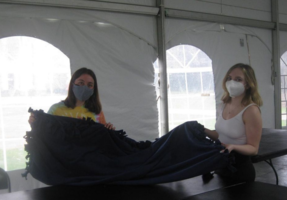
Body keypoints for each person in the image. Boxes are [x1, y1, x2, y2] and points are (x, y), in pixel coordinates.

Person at [204, 63, 263, 182]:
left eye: (238, 79)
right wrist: (203, 130)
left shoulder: (251, 110)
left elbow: (253, 148)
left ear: (248, 84)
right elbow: (220, 135)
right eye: (229, 78)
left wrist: (233, 147)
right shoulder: (223, 105)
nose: (232, 82)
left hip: (240, 170)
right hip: (221, 166)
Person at [28, 67, 115, 130]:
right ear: (72, 84)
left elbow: (102, 139)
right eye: (81, 83)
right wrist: (35, 123)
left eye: (90, 85)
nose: (84, 87)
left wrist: (109, 130)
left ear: (94, 88)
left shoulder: (97, 113)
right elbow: (45, 133)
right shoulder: (56, 110)